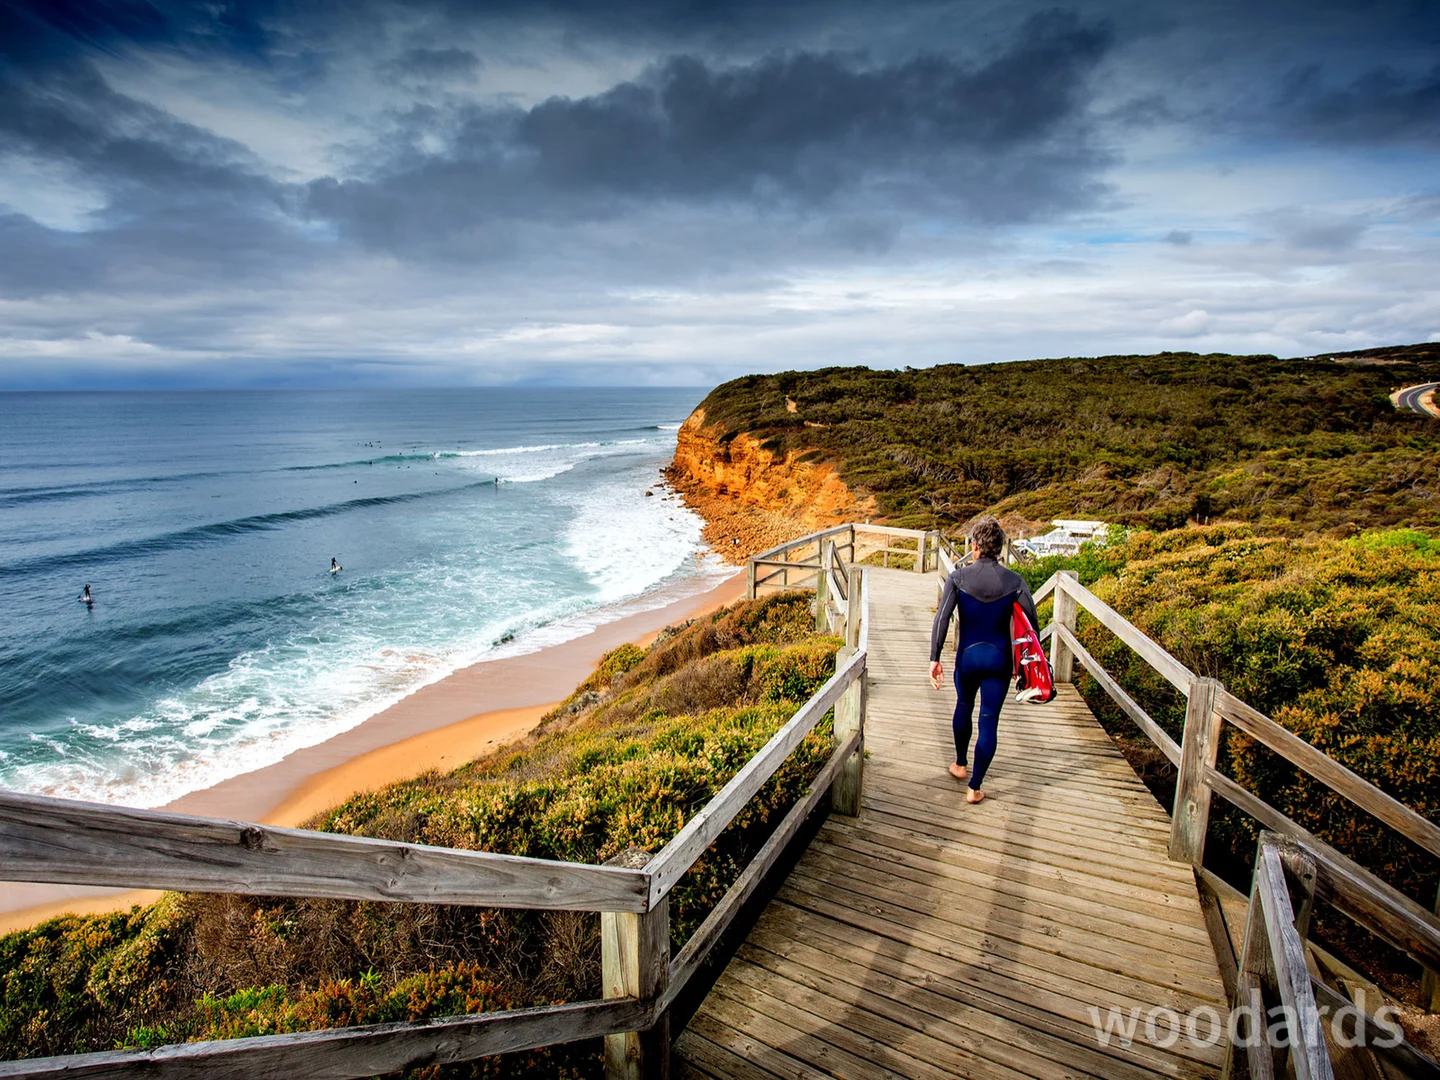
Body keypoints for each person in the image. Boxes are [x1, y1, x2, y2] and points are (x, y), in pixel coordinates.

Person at [928, 516, 1039, 804]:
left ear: (975, 546)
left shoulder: (958, 578)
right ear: (1000, 548)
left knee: (963, 705)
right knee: (989, 720)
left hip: (967, 658)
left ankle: (960, 765)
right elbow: (1033, 628)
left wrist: (934, 658)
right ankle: (974, 788)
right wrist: (1025, 666)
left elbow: (941, 619)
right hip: (1000, 662)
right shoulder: (1016, 582)